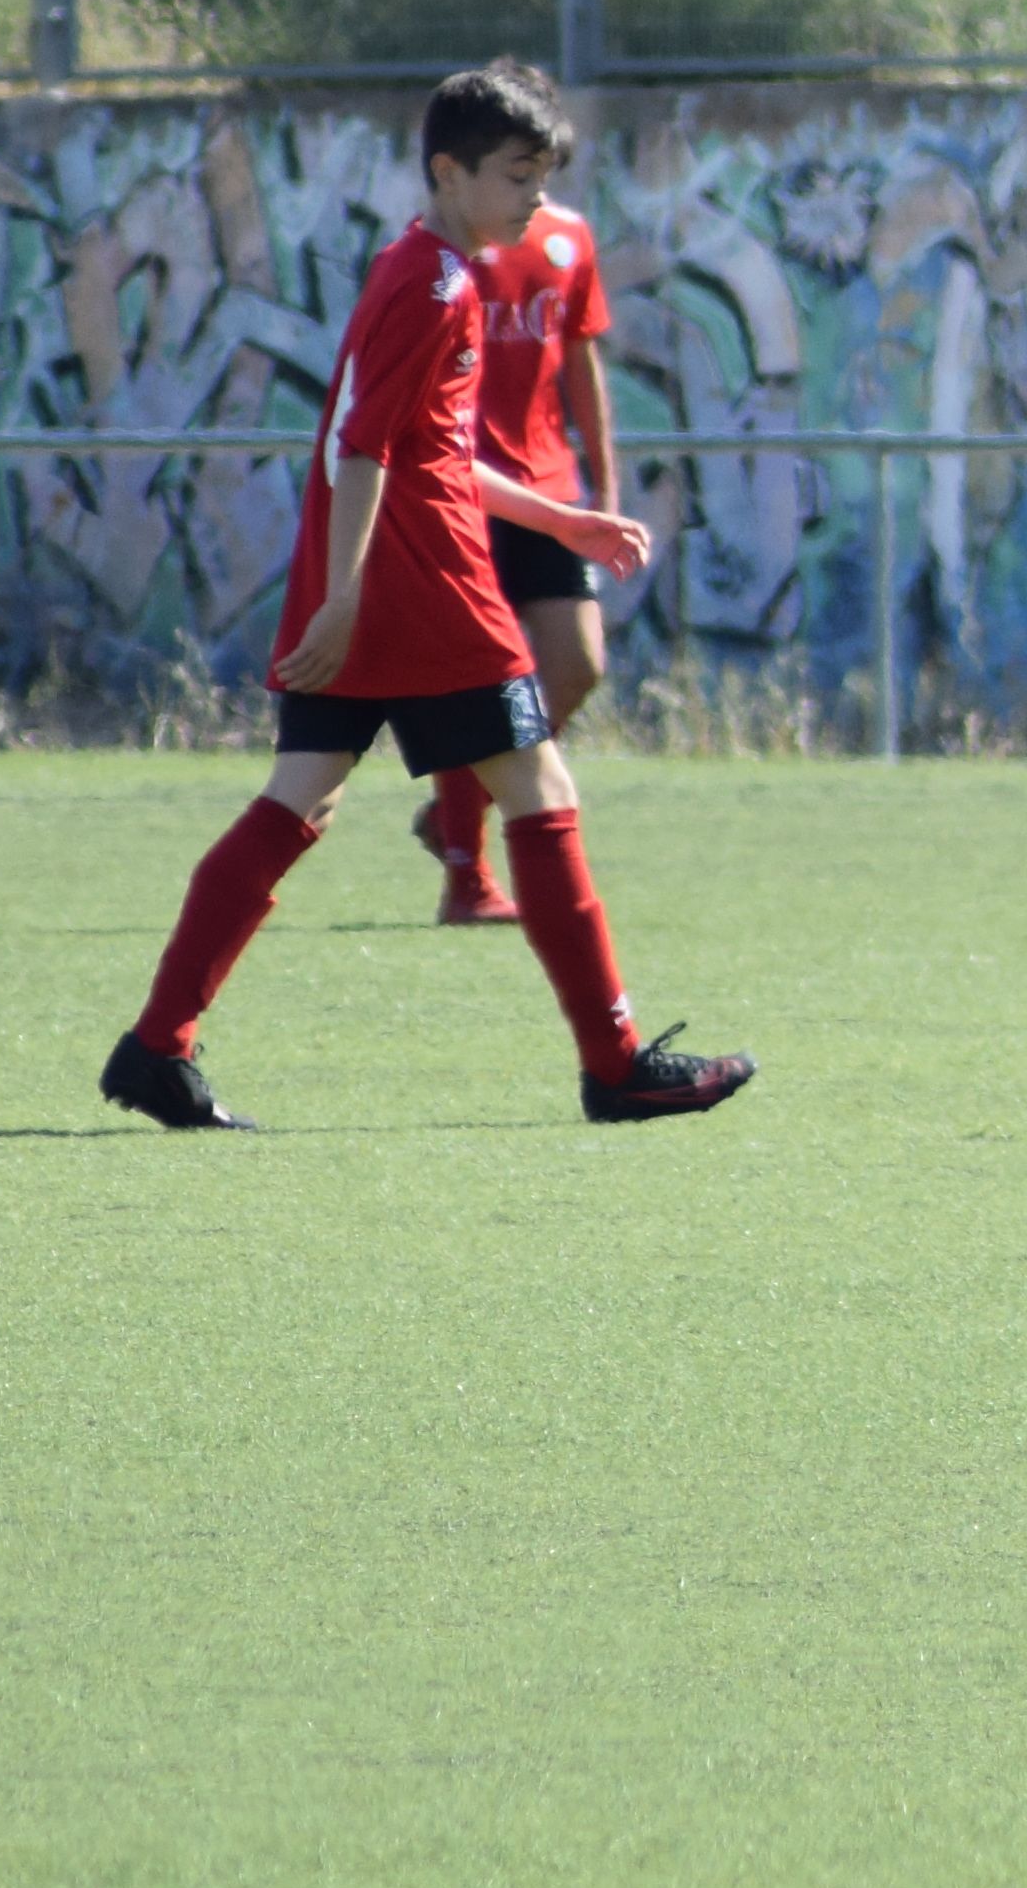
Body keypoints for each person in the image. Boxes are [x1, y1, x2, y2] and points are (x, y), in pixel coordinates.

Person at [102, 64, 756, 1135]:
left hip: (367, 585)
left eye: (545, 174)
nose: (536, 196)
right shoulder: (442, 284)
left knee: (298, 799)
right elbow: (362, 449)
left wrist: (560, 521)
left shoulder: (420, 265)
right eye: (517, 173)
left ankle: (157, 1045)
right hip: (428, 591)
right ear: (449, 171)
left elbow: (428, 446)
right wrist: (351, 598)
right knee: (539, 790)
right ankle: (617, 1063)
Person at [412, 167, 629, 926]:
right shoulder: (442, 252)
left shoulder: (568, 237)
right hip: (462, 494)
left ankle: (457, 811)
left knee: (578, 664)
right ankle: (466, 881)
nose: (531, 180)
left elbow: (581, 360)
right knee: (473, 679)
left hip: (548, 489)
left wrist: (604, 486)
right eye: (514, 163)